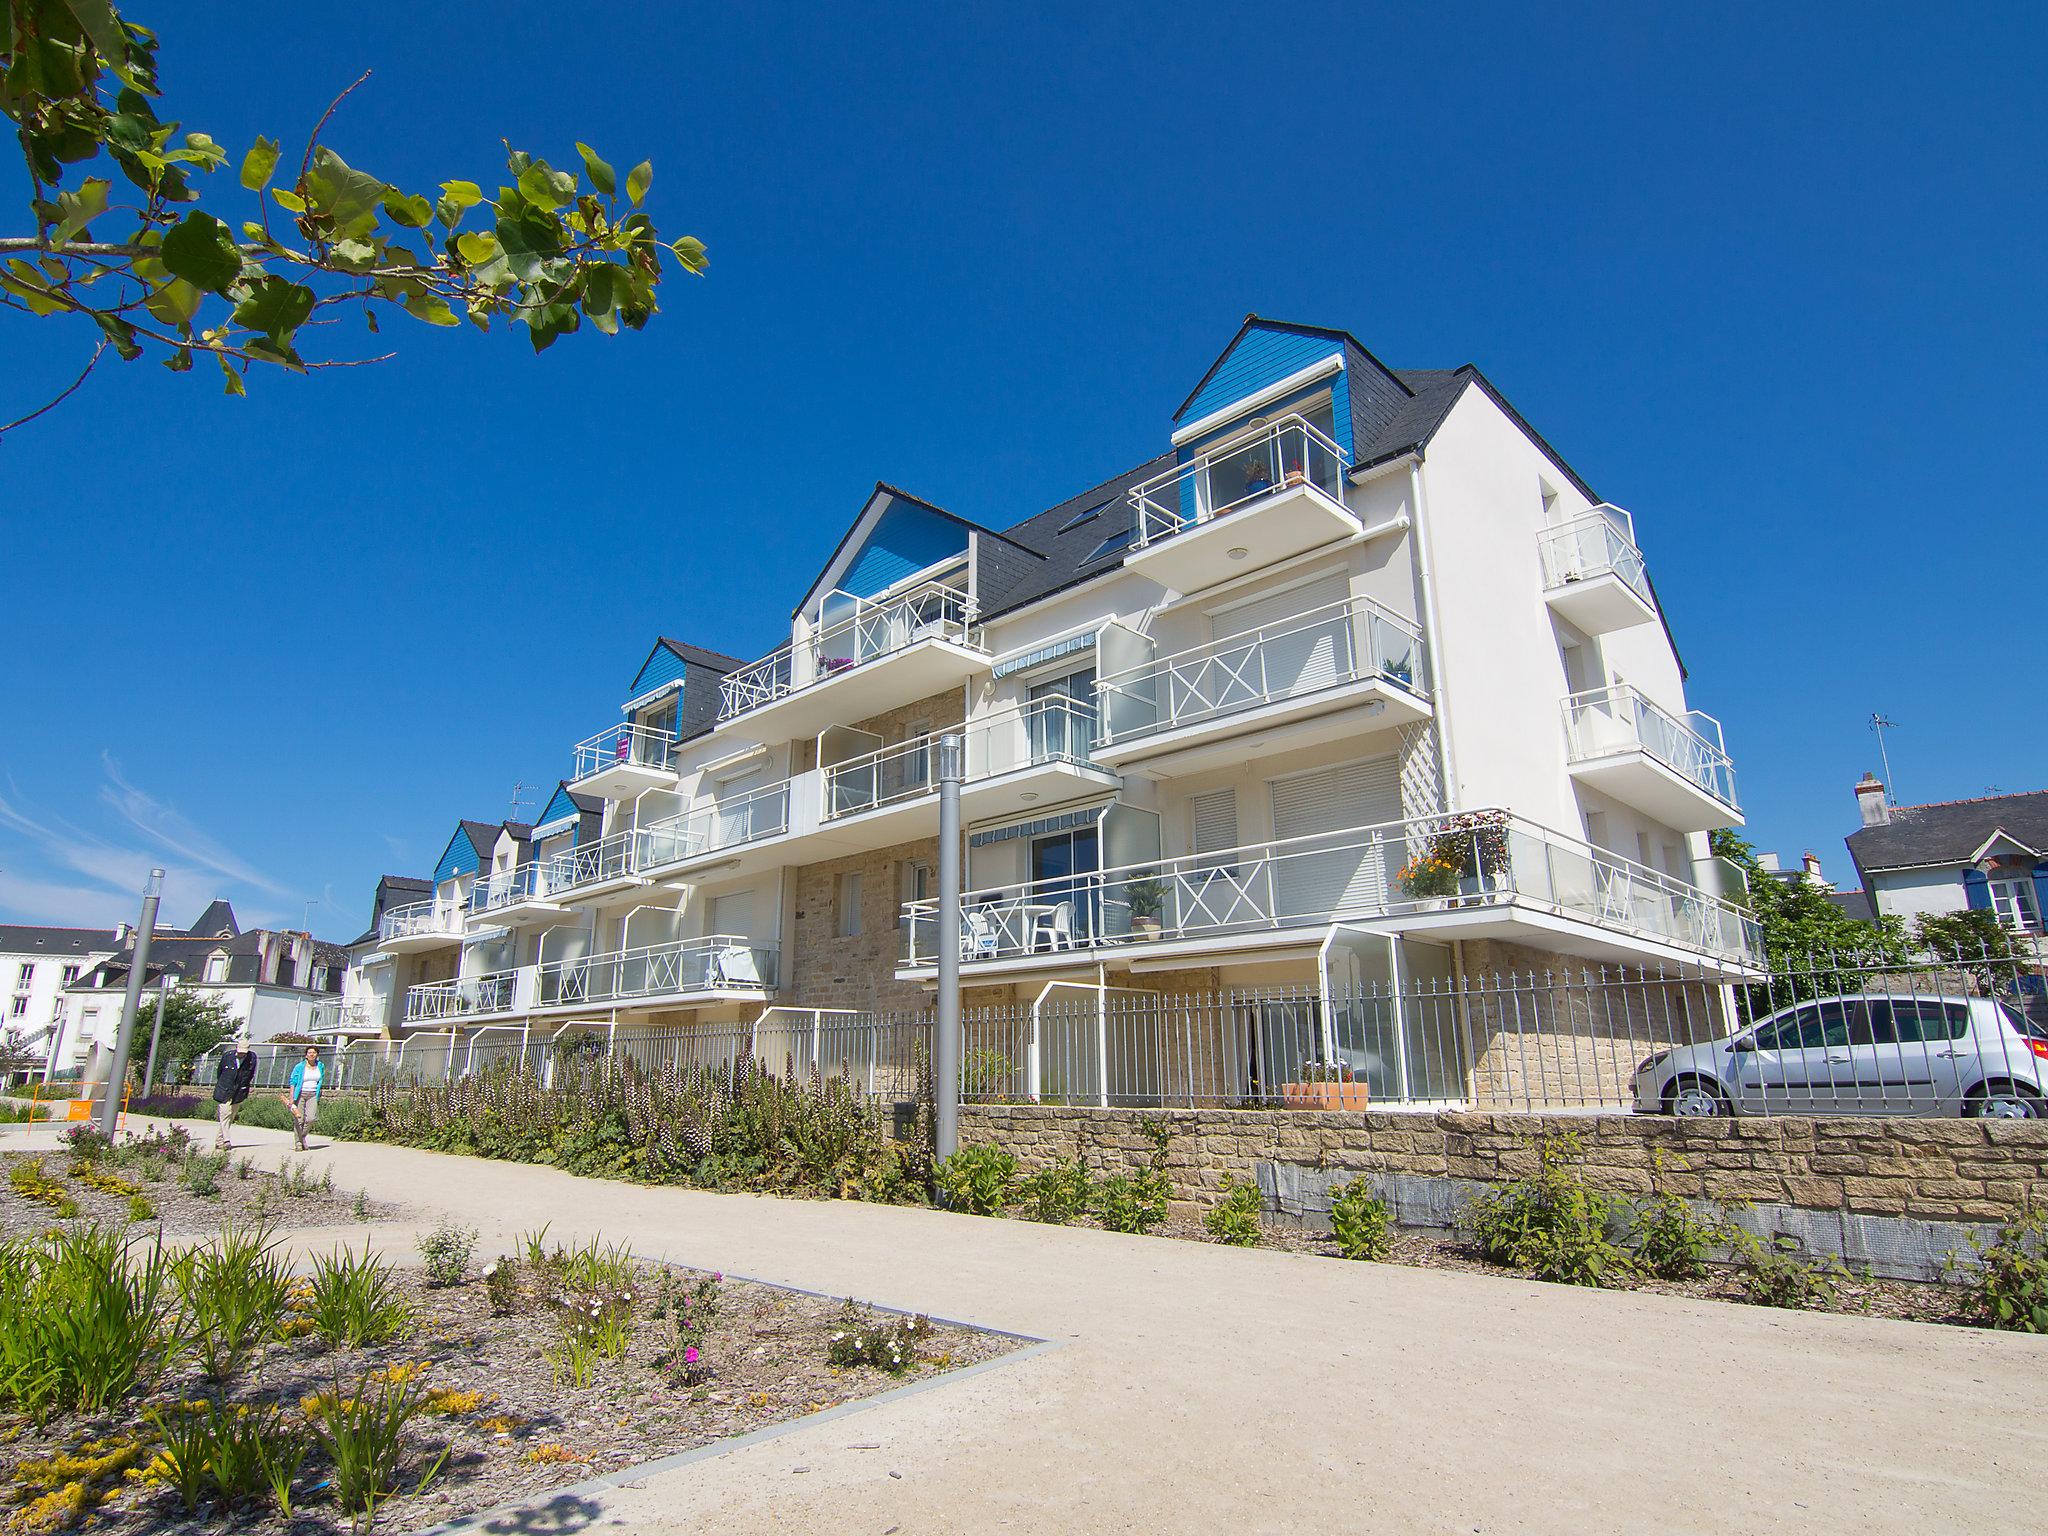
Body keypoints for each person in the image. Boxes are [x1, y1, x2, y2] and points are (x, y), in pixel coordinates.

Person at [212, 1033, 258, 1149]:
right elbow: (220, 1072)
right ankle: (226, 1140)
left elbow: (250, 1074)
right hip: (225, 1090)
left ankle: (219, 1141)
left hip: (239, 1091)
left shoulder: (252, 1058)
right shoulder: (228, 1056)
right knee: (225, 1114)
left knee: (231, 1116)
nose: (241, 1054)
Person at [287, 1045, 324, 1152]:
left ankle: (302, 1136)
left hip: (313, 1094)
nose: (312, 1054)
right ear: (306, 1055)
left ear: (317, 1054)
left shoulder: (320, 1066)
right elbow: (293, 1082)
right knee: (299, 1119)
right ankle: (298, 1142)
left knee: (311, 1118)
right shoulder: (299, 1066)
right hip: (300, 1094)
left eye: (314, 1052)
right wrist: (291, 1098)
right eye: (309, 1053)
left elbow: (320, 1080)